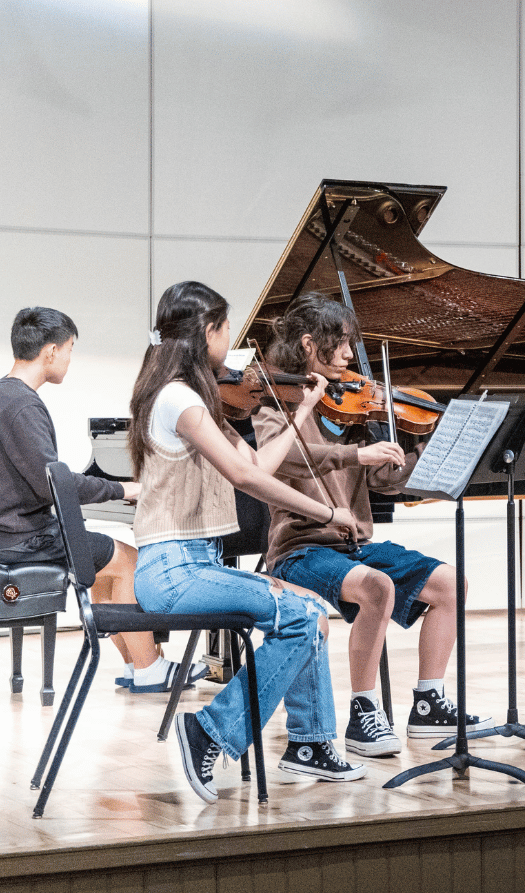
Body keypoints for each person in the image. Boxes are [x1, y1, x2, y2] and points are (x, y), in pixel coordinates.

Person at [128, 281, 367, 803]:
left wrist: (303, 413)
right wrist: (327, 510)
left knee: (309, 609)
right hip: (173, 572)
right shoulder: (179, 399)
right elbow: (245, 477)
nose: (232, 344)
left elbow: (259, 462)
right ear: (207, 332)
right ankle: (209, 730)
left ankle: (309, 742)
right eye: (226, 330)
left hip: (193, 568)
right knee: (299, 615)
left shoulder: (200, 401)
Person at [253, 292, 492, 756]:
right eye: (339, 344)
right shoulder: (273, 407)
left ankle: (427, 704)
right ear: (307, 345)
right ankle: (364, 713)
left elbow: (384, 482)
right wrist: (355, 452)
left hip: (353, 545)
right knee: (378, 588)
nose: (348, 355)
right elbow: (291, 464)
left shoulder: (353, 409)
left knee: (451, 585)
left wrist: (420, 452)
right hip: (299, 550)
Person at [0, 307, 203, 693]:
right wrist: (123, 488)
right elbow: (51, 483)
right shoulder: (22, 403)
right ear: (51, 351)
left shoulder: (3, 393)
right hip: (15, 540)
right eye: (70, 349)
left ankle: (135, 666)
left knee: (107, 560)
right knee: (128, 560)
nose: (70, 359)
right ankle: (150, 667)